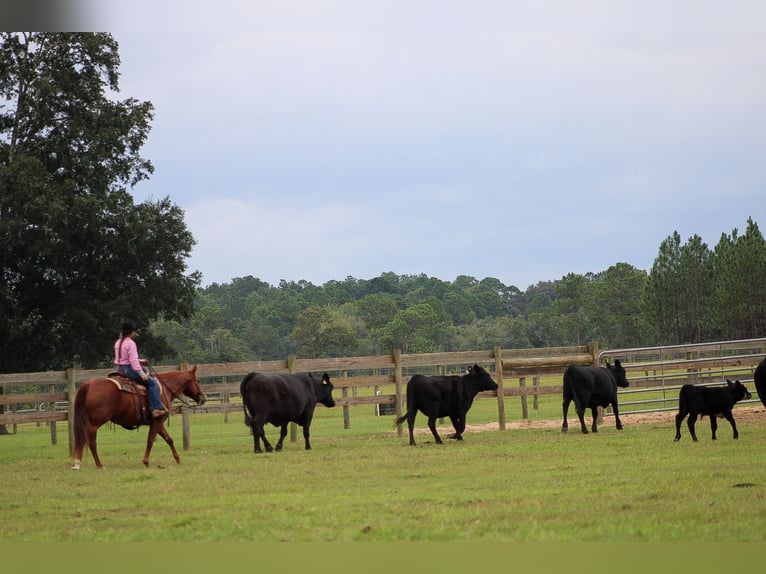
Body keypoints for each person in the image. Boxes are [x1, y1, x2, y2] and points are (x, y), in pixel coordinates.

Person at [114, 321, 166, 419]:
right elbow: (133, 361)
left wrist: (139, 360)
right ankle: (155, 409)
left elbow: (123, 359)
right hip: (129, 369)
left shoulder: (118, 342)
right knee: (152, 383)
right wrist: (141, 373)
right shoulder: (130, 343)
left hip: (120, 369)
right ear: (131, 332)